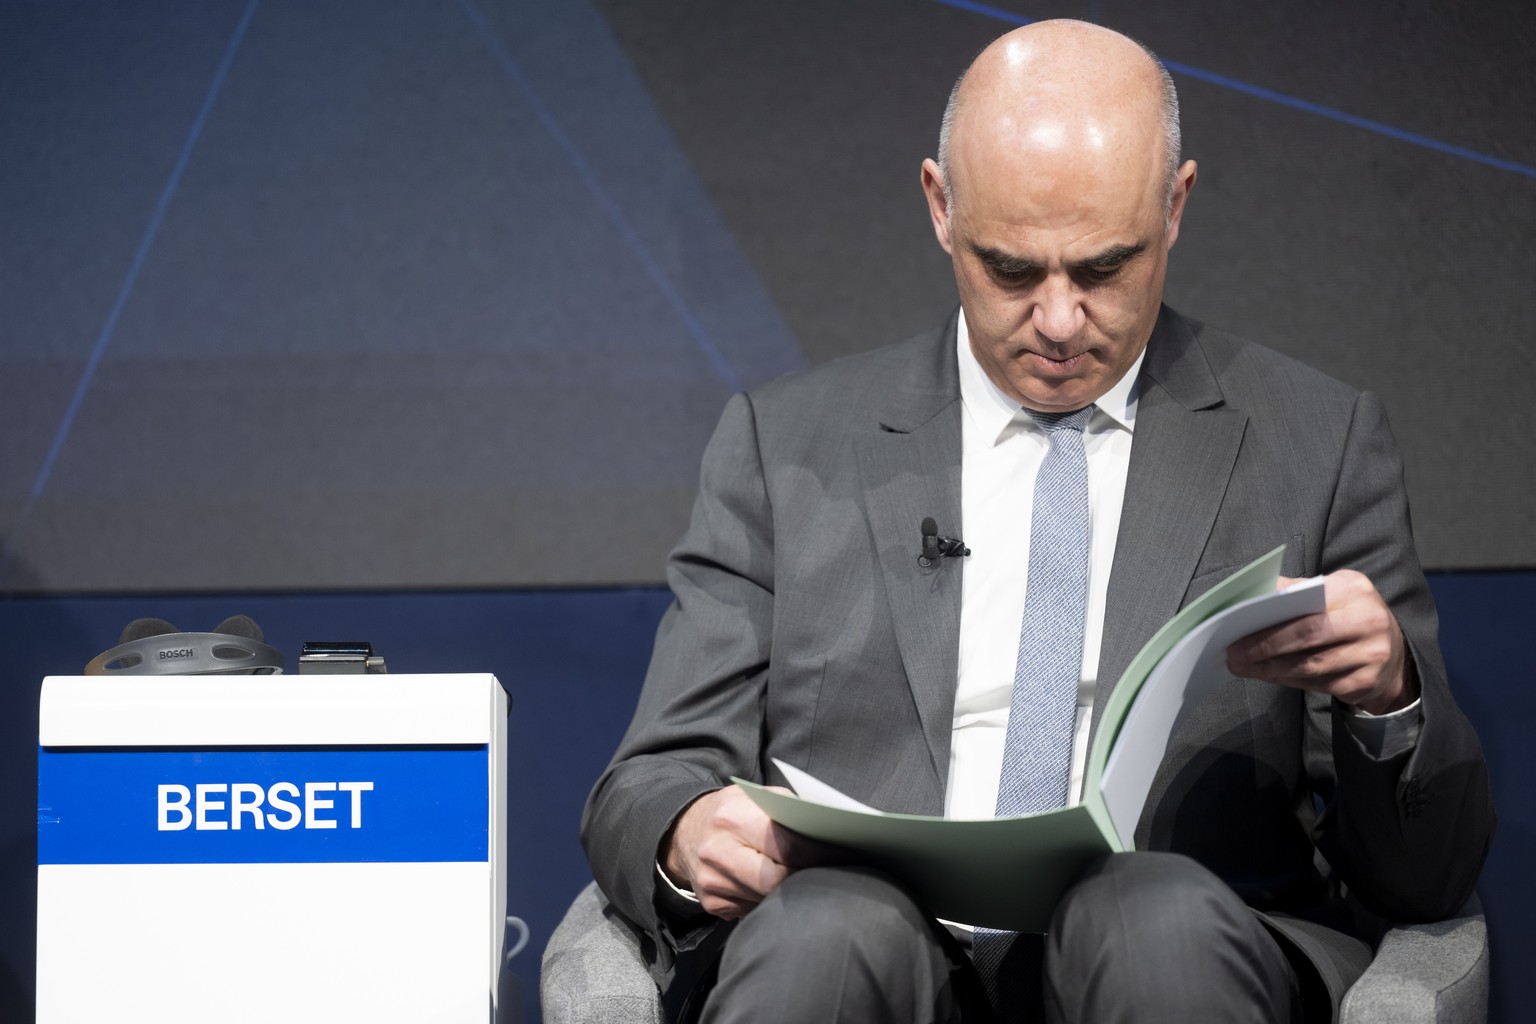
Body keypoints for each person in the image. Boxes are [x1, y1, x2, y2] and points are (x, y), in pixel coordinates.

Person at [582, 19, 1493, 1023]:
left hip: (1177, 947)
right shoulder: (784, 445)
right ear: (939, 206)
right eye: (1012, 269)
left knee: (1150, 916)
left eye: (1104, 268)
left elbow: (1428, 875)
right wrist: (686, 831)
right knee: (826, 930)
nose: (1059, 322)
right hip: (859, 949)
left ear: (1176, 205)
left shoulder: (1317, 442)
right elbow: (647, 778)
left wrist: (1388, 698)